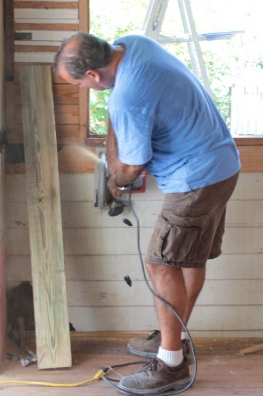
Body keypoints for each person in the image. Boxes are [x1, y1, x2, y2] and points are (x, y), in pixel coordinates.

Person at [53, 32, 240, 394]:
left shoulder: (128, 97)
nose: (82, 89)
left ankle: (171, 365)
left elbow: (133, 164)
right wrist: (114, 156)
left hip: (195, 179)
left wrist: (117, 182)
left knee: (160, 263)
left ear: (93, 75)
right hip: (221, 165)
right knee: (189, 259)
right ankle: (174, 337)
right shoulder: (131, 44)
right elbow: (116, 120)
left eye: (78, 83)